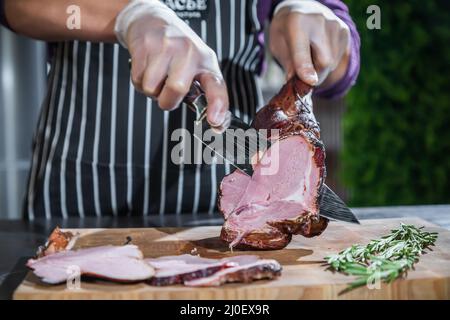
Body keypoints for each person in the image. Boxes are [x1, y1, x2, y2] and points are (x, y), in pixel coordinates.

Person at [0, 0, 360, 219]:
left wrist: (316, 18)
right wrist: (129, 14)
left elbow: (342, 59)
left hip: (231, 203)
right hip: (77, 198)